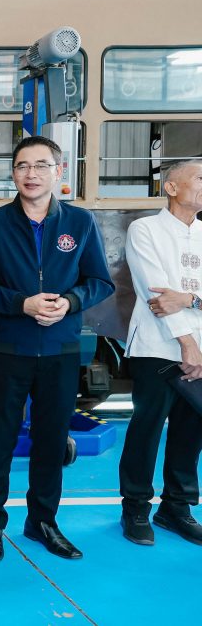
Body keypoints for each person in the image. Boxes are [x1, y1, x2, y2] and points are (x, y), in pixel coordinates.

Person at [0, 136, 114, 561]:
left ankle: (42, 522)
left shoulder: (80, 222)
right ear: (12, 173)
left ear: (59, 171)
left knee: (52, 441)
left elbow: (100, 281)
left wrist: (69, 302)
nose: (30, 174)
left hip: (60, 348)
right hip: (9, 346)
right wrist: (22, 304)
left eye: (40, 166)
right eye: (22, 166)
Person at [118, 158, 202, 547]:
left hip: (201, 351)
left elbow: (179, 298)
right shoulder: (145, 230)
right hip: (158, 348)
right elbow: (157, 296)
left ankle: (176, 508)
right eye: (199, 178)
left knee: (191, 430)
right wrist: (187, 342)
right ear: (171, 187)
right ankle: (135, 507)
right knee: (147, 427)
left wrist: (190, 298)